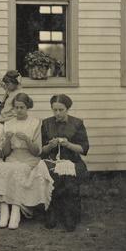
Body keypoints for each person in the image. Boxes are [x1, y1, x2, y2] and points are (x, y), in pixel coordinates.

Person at [0, 93, 53, 229]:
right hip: (13, 156)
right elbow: (5, 153)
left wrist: (27, 139)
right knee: (4, 168)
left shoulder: (35, 123)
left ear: (28, 107)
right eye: (16, 107)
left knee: (19, 170)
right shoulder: (8, 124)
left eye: (22, 107)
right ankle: (4, 211)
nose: (19, 110)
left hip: (29, 158)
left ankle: (15, 211)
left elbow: (36, 151)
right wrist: (8, 140)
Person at [41, 94, 89, 232]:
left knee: (69, 181)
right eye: (54, 110)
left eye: (61, 110)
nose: (57, 113)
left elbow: (83, 148)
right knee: (52, 177)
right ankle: (52, 212)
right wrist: (50, 145)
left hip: (72, 160)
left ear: (67, 109)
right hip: (52, 160)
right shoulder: (46, 123)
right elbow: (42, 150)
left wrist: (68, 144)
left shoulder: (77, 123)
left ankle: (70, 215)